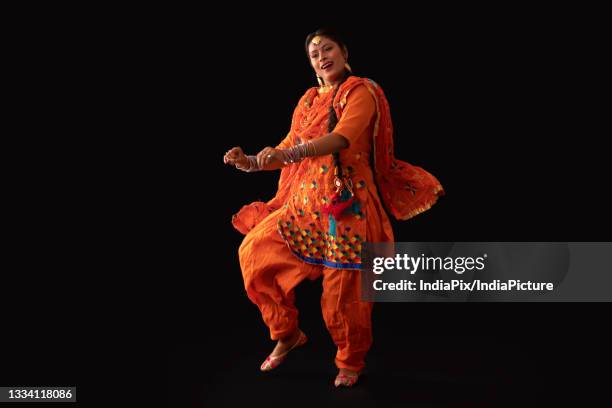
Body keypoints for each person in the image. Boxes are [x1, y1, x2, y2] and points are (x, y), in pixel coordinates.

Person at [223, 28, 444, 388]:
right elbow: (288, 145)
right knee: (254, 253)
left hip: (347, 206)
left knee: (342, 292)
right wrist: (251, 161)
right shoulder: (308, 100)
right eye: (314, 53)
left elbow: (343, 136)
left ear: (343, 52)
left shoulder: (361, 91)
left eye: (328, 48)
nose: (322, 56)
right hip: (305, 205)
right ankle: (287, 333)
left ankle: (349, 361)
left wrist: (289, 153)